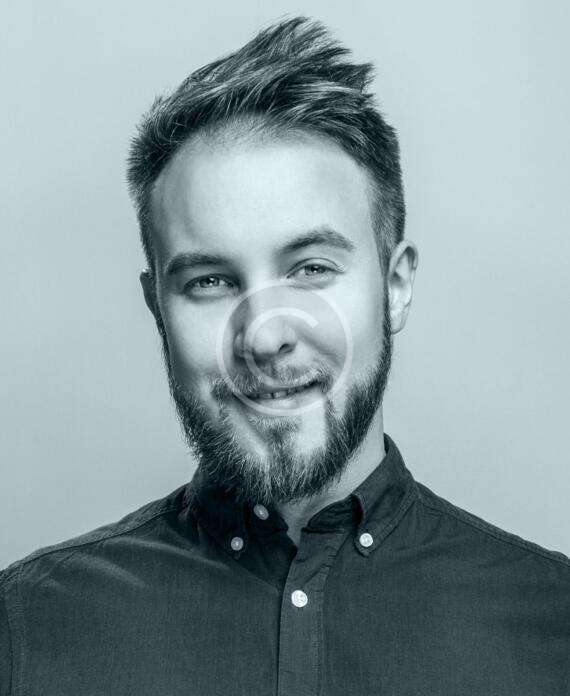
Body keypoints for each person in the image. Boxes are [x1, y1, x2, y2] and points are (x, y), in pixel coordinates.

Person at [1, 16, 568, 696]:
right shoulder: (24, 629)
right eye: (210, 281)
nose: (264, 337)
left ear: (394, 287)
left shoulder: (553, 628)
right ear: (157, 308)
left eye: (311, 269)